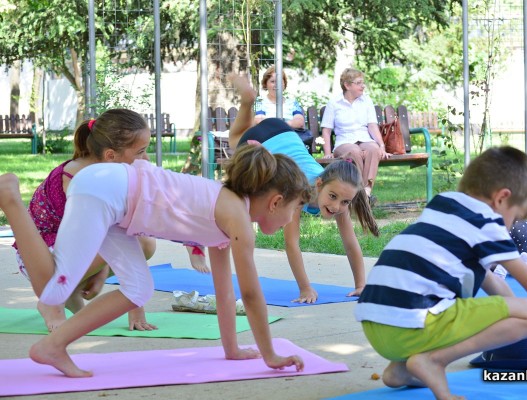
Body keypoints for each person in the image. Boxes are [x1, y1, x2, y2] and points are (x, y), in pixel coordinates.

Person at [0, 144, 310, 377]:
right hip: (108, 190)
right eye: (295, 209)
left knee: (138, 288)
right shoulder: (237, 218)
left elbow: (226, 292)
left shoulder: (229, 215)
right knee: (52, 286)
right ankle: (10, 199)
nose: (291, 218)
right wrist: (270, 355)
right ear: (276, 202)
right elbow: (252, 295)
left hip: (117, 204)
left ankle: (52, 347)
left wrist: (232, 350)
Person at [355, 146, 527, 400]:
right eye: (514, 217)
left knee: (518, 314)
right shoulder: (485, 221)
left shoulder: (443, 207)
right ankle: (434, 361)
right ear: (502, 198)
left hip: (376, 326)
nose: (510, 227)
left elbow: (496, 286)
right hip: (413, 323)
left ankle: (400, 370)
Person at [227, 74, 379, 303]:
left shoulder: (338, 189)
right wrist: (305, 288)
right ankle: (248, 102)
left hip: (285, 133)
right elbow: (291, 242)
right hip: (267, 139)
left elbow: (350, 241)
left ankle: (248, 103)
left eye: (344, 202)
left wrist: (361, 285)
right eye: (333, 197)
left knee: (239, 136)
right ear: (319, 184)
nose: (337, 206)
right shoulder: (298, 191)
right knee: (234, 140)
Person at [12, 109, 157, 332]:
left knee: (144, 242)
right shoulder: (80, 180)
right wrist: (101, 272)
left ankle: (68, 292)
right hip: (41, 258)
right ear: (111, 155)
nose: (146, 159)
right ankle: (52, 302)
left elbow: (123, 231)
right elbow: (89, 236)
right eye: (141, 152)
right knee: (132, 240)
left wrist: (134, 303)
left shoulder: (109, 172)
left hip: (72, 249)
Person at [320, 68, 390, 205]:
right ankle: (361, 196)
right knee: (354, 152)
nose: (363, 86)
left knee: (373, 149)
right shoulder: (334, 103)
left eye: (363, 83)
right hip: (344, 142)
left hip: (364, 138)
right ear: (347, 85)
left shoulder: (366, 101)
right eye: (358, 83)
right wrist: (327, 153)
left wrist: (381, 146)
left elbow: (372, 126)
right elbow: (326, 131)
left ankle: (365, 192)